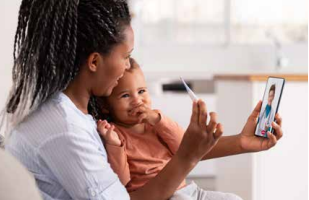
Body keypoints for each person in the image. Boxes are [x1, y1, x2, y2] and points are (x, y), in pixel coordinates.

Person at [3, 0, 283, 200]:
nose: (128, 68)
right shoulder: (64, 129)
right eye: (125, 57)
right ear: (94, 61)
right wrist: (185, 157)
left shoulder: (77, 112)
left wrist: (241, 142)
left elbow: (176, 149)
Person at [96, 58, 242, 199]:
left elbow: (183, 145)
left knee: (232, 198)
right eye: (125, 95)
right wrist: (114, 145)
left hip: (186, 190)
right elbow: (121, 181)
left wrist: (158, 120)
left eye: (141, 91)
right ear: (105, 106)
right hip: (160, 196)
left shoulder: (156, 122)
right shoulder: (114, 133)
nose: (137, 100)